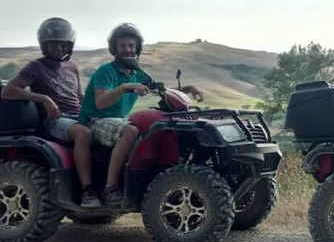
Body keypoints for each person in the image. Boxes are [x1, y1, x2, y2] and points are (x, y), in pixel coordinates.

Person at [78, 23, 203, 207]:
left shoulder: (137, 72)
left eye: (131, 45)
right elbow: (100, 102)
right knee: (130, 131)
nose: (128, 50)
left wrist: (188, 89)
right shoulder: (106, 71)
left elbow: (161, 91)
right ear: (115, 48)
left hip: (118, 120)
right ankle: (110, 189)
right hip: (94, 120)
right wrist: (123, 88)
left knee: (152, 127)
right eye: (123, 46)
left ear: (137, 48)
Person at [1, 17, 100, 208]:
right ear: (44, 46)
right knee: (83, 133)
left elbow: (78, 96)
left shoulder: (72, 67)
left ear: (69, 46)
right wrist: (44, 99)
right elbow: (8, 90)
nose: (58, 49)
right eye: (53, 45)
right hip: (55, 120)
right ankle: (87, 191)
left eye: (63, 45)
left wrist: (96, 111)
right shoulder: (36, 67)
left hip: (77, 115)